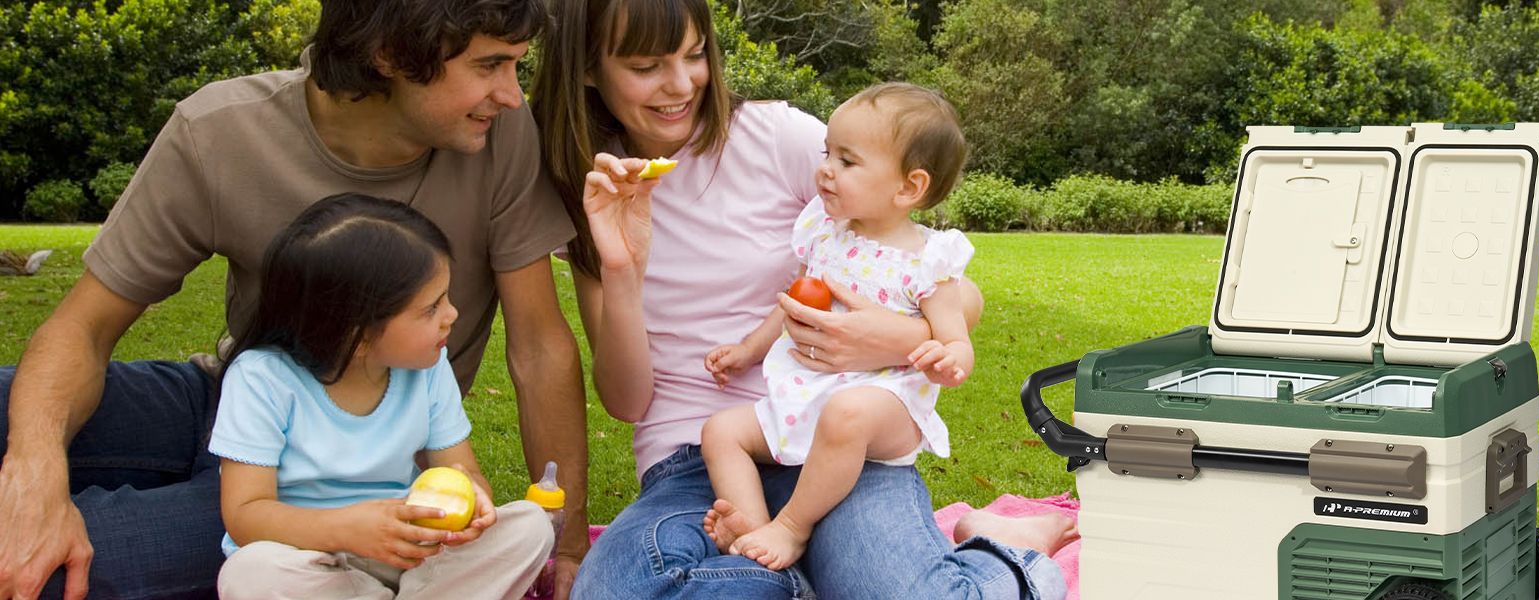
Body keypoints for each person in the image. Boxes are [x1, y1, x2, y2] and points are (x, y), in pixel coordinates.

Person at [0, 2, 589, 598]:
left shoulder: (500, 137)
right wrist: (34, 472)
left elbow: (539, 348)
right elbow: (83, 329)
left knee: (51, 569)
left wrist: (565, 548)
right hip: (239, 393)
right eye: (490, 65)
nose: (512, 95)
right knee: (13, 410)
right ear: (388, 54)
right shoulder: (221, 131)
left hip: (335, 486)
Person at [533, 1, 1075, 598]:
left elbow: (944, 284)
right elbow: (628, 401)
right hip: (699, 455)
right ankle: (799, 571)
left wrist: (901, 338)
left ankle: (1006, 550)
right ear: (587, 68)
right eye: (646, 66)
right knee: (619, 590)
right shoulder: (595, 192)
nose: (682, 84)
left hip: (842, 442)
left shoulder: (779, 138)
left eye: (694, 56)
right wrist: (623, 269)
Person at [697, 82, 1052, 573]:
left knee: (846, 415)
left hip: (885, 407)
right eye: (827, 154)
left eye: (847, 160)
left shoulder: (928, 261)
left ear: (908, 187)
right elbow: (794, 305)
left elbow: (954, 339)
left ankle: (791, 527)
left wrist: (949, 361)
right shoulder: (826, 234)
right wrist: (747, 349)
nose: (825, 169)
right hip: (808, 396)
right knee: (721, 431)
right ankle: (754, 527)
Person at [209, 194, 552, 599]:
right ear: (355, 334)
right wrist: (347, 530)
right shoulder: (262, 379)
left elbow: (463, 471)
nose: (452, 314)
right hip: (309, 558)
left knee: (530, 525)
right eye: (430, 308)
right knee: (249, 574)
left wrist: (473, 502)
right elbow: (245, 515)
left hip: (411, 552)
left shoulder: (427, 369)